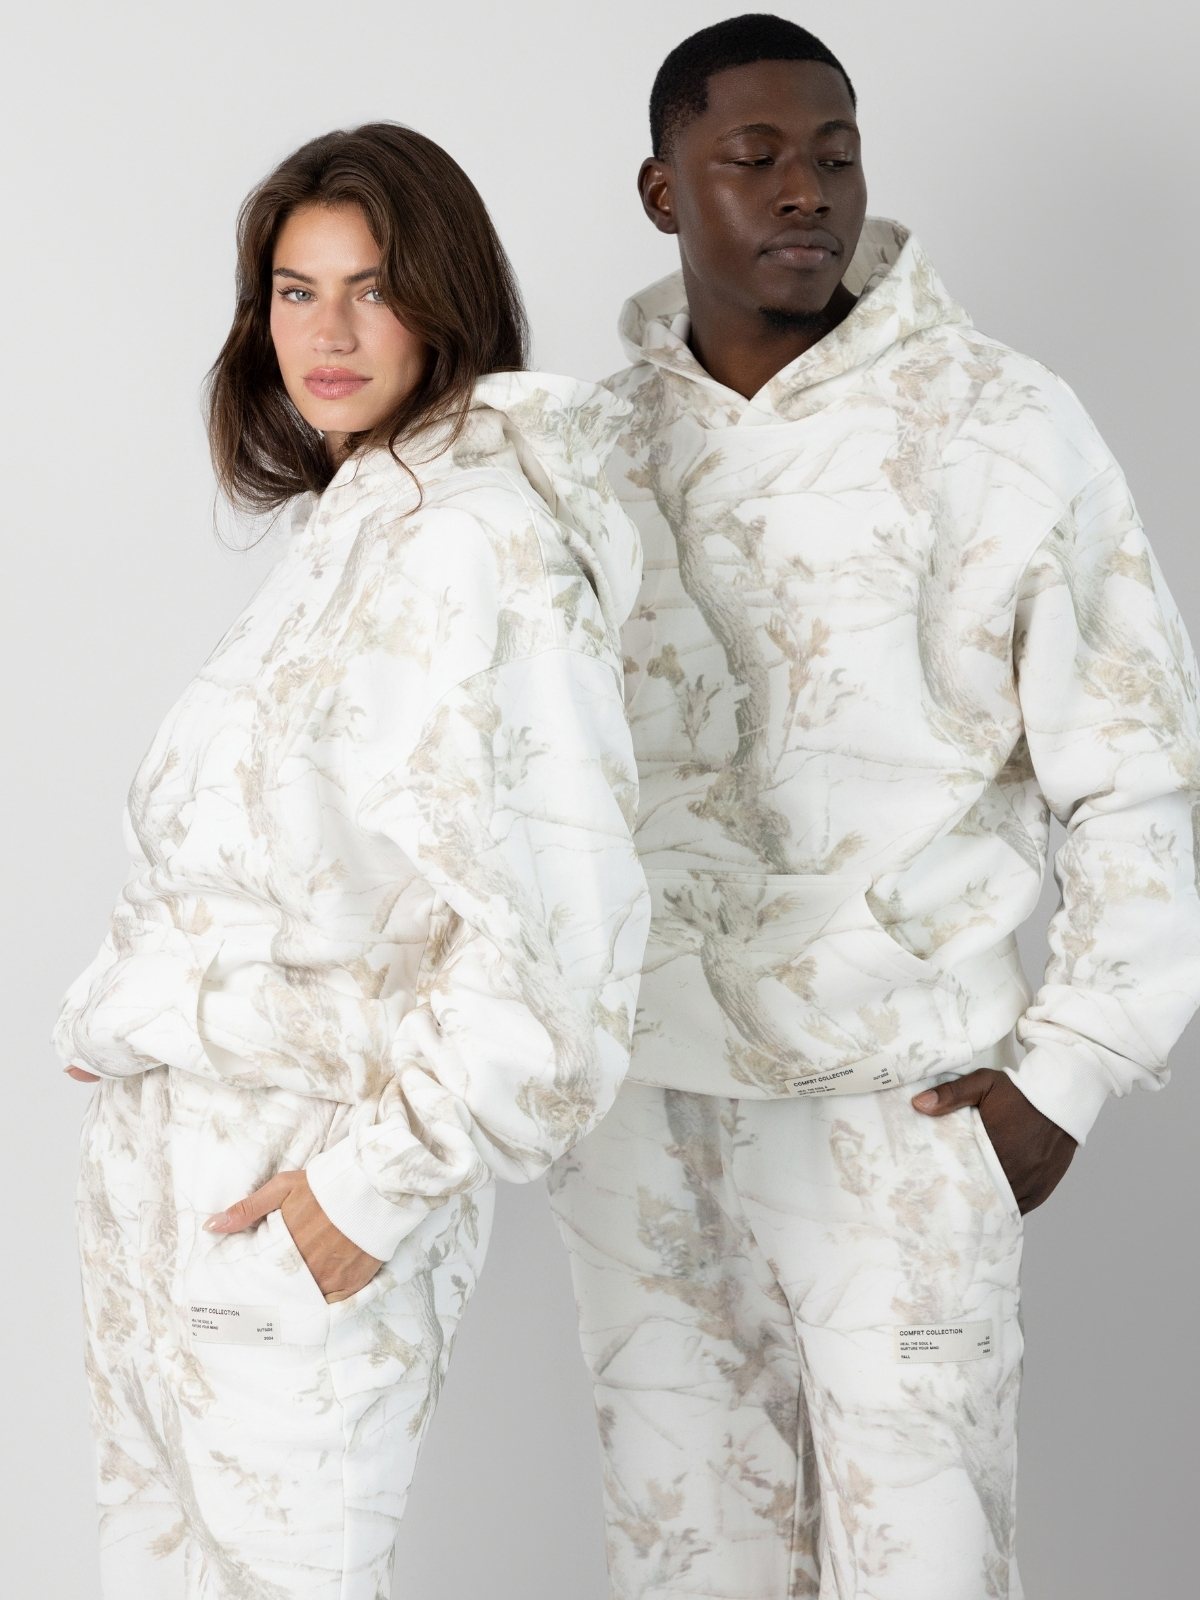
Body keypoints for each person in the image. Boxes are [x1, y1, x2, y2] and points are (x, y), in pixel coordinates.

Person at [547, 15, 1200, 1598]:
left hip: (902, 1105)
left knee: (923, 1567)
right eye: (754, 157)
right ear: (662, 190)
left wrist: (1072, 1069)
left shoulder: (999, 422)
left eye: (835, 156)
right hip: (645, 1114)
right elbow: (511, 772)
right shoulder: (588, 451)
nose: (806, 191)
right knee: (687, 1559)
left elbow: (1139, 765)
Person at [54, 121, 650, 1599]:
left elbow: (559, 935)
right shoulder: (358, 524)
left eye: (371, 290)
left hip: (294, 1175)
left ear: (445, 302)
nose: (327, 333)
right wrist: (137, 1006)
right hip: (174, 1180)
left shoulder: (480, 545)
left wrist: (373, 1189)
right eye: (295, 291)